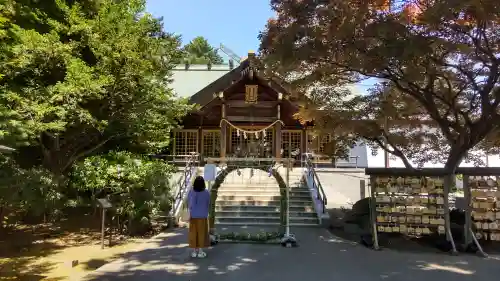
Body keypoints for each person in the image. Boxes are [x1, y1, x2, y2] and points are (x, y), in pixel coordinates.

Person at [187, 176, 211, 258]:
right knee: (202, 233)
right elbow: (208, 204)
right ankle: (200, 251)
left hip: (193, 216)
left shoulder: (191, 192)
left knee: (193, 233)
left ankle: (194, 252)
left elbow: (189, 204)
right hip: (203, 216)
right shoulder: (207, 192)